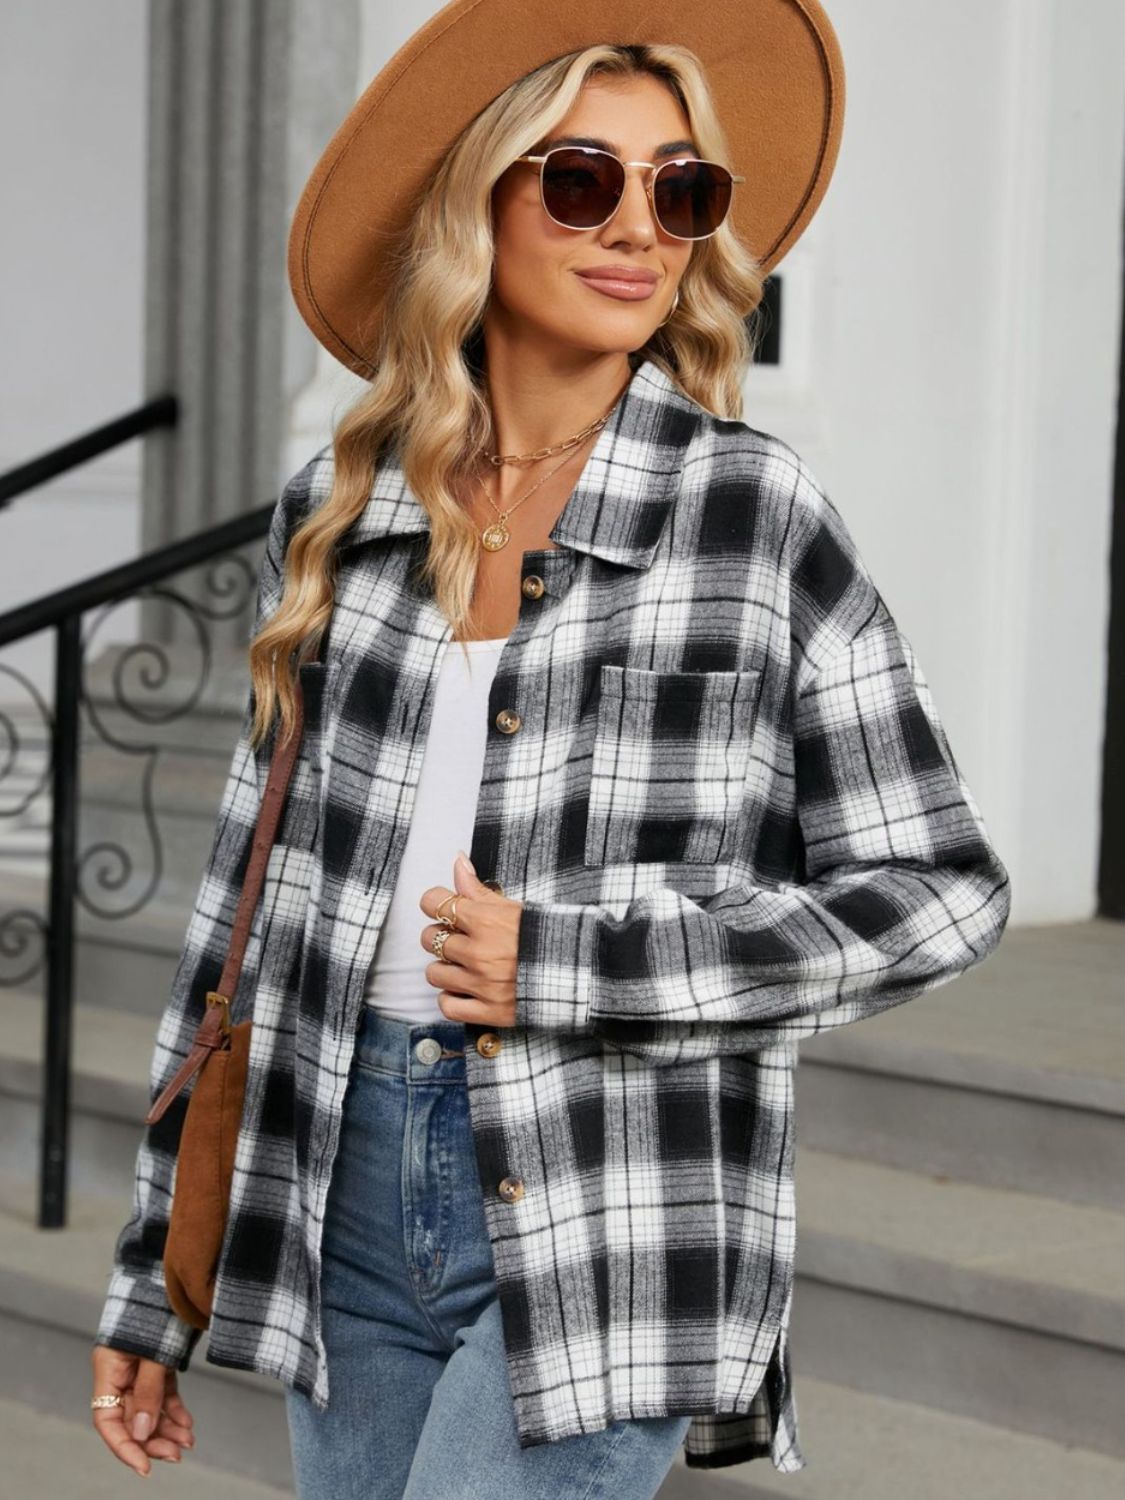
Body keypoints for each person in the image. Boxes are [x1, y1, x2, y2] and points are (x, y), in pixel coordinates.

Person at [90, 4, 1012, 1496]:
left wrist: (578, 965)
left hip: (611, 1189)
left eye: (681, 192)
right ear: (478, 199)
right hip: (338, 1177)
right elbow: (235, 929)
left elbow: (940, 889)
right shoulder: (342, 518)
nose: (639, 228)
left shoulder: (752, 515)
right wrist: (152, 1274)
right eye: (583, 180)